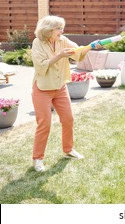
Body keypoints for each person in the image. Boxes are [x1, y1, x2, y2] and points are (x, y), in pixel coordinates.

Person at [31, 15, 101, 172]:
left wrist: (90, 46)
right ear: (48, 30)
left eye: (62, 28)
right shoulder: (37, 43)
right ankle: (37, 159)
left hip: (60, 87)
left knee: (68, 119)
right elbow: (41, 66)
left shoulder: (63, 40)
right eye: (59, 28)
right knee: (45, 124)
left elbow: (77, 52)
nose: (61, 31)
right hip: (42, 88)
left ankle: (68, 150)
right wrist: (60, 55)